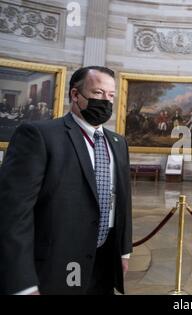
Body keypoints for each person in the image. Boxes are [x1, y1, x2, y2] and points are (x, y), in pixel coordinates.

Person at [0, 66, 133, 295]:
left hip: (103, 260)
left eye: (111, 96)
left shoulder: (118, 143)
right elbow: (13, 213)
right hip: (56, 264)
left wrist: (123, 251)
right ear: (75, 95)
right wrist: (22, 282)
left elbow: (123, 200)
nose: (106, 101)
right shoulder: (39, 135)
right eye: (98, 93)